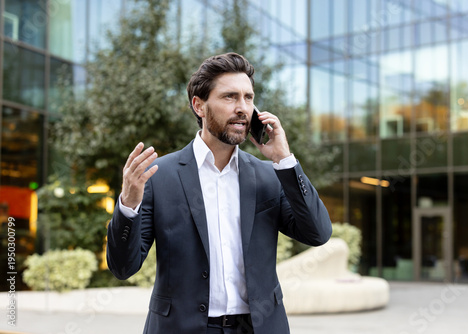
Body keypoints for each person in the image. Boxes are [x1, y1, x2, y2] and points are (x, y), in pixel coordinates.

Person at [106, 52, 332, 334]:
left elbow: (318, 233)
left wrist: (285, 161)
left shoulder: (268, 175)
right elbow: (123, 268)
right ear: (199, 106)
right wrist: (128, 204)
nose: (243, 108)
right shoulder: (157, 176)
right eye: (230, 97)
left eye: (248, 98)